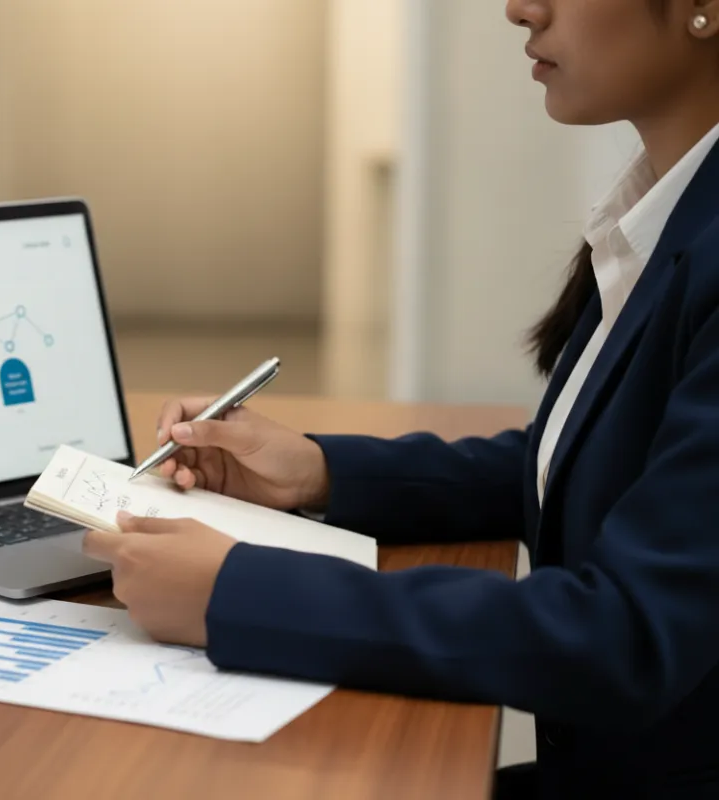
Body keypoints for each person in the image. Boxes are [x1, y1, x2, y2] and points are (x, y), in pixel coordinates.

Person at [81, 1, 719, 797]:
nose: (521, 8)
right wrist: (316, 472)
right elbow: (606, 457)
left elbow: (626, 637)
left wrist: (237, 592)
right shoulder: (668, 211)